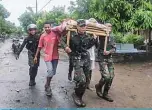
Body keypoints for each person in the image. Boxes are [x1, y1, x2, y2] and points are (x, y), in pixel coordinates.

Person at [61, 19, 97, 107]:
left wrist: (94, 40)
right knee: (81, 80)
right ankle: (76, 95)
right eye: (81, 26)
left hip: (86, 58)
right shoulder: (71, 34)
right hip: (76, 58)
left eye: (84, 26)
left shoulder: (88, 36)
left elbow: (88, 46)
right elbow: (61, 40)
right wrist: (65, 47)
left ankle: (79, 96)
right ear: (77, 27)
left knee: (86, 81)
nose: (83, 28)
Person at [34, 21, 64, 97]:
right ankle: (48, 86)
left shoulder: (55, 34)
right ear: (44, 28)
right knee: (50, 71)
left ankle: (47, 84)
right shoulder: (43, 36)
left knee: (53, 72)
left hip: (55, 56)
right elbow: (39, 47)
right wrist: (35, 56)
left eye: (48, 27)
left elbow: (61, 39)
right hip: (47, 56)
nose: (47, 28)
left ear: (51, 27)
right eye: (45, 27)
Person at [95, 23, 116, 102]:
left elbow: (114, 48)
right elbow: (96, 46)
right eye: (107, 26)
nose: (109, 28)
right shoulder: (100, 36)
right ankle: (99, 86)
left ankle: (105, 93)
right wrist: (95, 37)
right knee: (106, 76)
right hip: (102, 58)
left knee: (111, 76)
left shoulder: (112, 37)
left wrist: (109, 51)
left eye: (110, 27)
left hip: (109, 58)